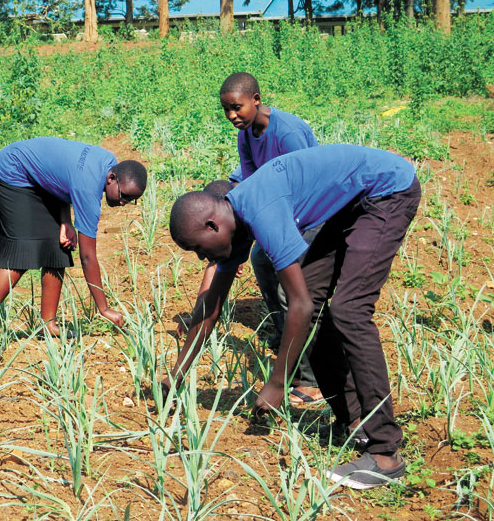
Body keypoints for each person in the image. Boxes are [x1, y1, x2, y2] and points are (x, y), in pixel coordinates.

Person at [166, 144, 420, 489]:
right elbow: (211, 308)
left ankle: (385, 453)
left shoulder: (261, 210)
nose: (200, 258)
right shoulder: (233, 225)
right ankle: (355, 421)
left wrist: (277, 383)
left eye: (197, 247)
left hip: (386, 190)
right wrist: (176, 375)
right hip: (351, 202)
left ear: (212, 225)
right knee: (310, 301)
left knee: (349, 309)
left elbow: (299, 305)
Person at [179, 72, 322, 406]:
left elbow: (307, 183)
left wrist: (277, 233)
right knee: (260, 259)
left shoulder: (288, 133)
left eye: (237, 107)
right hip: (279, 211)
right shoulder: (246, 134)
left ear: (256, 99)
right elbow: (252, 183)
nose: (232, 115)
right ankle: (284, 335)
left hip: (311, 213)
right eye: (226, 110)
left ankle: (310, 378)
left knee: (294, 292)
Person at [0, 137, 146, 350]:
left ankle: (47, 325)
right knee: (22, 252)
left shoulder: (108, 163)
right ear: (112, 178)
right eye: (124, 196)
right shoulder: (89, 187)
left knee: (59, 248)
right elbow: (87, 257)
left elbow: (62, 179)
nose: (124, 203)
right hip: (13, 171)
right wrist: (103, 308)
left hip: (38, 178)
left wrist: (65, 221)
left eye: (131, 200)